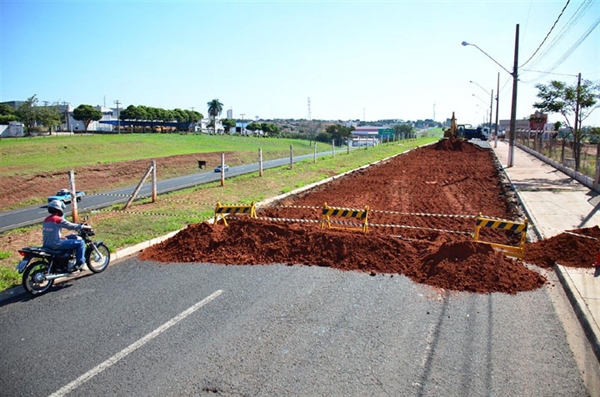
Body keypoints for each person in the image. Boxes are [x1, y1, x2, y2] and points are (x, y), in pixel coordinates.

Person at [43, 200, 90, 271]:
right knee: (80, 243)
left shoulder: (46, 219)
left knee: (69, 237)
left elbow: (51, 232)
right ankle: (80, 264)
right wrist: (83, 226)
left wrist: (62, 238)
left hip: (47, 244)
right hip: (55, 244)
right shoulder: (57, 219)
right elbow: (70, 226)